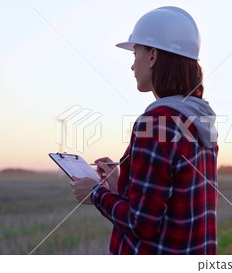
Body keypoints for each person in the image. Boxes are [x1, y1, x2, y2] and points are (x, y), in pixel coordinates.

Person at [71, 6, 218, 254]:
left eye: (135, 53)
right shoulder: (199, 118)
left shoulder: (156, 122)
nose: (132, 66)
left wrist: (96, 193)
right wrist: (123, 185)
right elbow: (170, 200)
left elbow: (143, 224)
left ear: (152, 56)